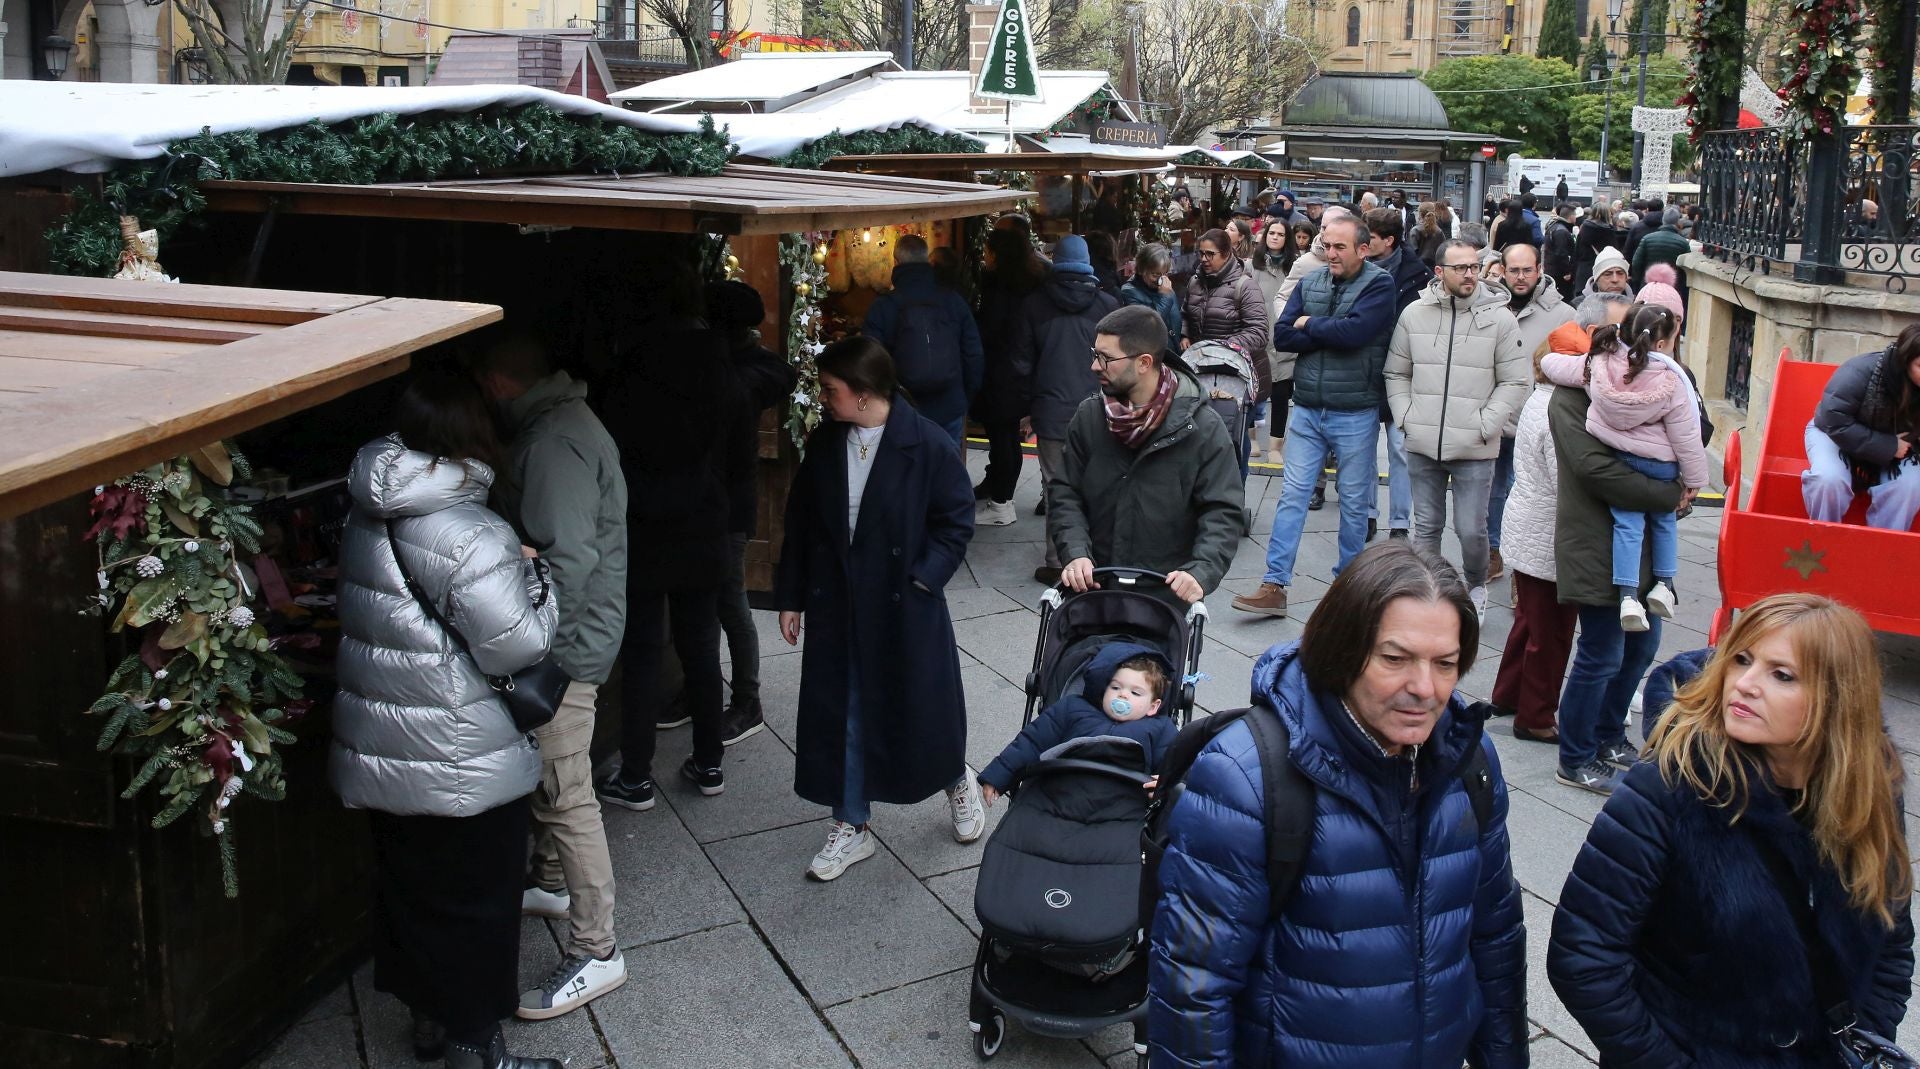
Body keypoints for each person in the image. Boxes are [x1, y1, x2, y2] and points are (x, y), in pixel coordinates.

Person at [1149, 541, 1526, 1068]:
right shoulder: (1247, 777)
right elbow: (1192, 988)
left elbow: (1495, 940)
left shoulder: (1471, 757)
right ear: (1343, 650)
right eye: (1395, 659)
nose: (1425, 688)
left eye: (1446, 663)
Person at [1548, 594, 1916, 1068]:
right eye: (1741, 659)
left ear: (1837, 698)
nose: (1744, 683)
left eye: (1781, 675)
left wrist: (1861, 1041)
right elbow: (1584, 956)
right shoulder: (1670, 785)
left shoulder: (1872, 787)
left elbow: (1891, 939)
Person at [333, 369, 563, 1069]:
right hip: (460, 752)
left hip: (384, 746)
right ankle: (475, 1046)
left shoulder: (368, 510)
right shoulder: (468, 528)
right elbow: (518, 641)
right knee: (476, 900)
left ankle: (430, 1019)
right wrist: (540, 581)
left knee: (411, 891)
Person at [774, 337, 981, 881]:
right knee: (844, 711)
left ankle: (957, 780)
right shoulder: (824, 443)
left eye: (830, 389)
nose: (823, 398)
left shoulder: (929, 445)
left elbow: (956, 521)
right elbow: (801, 525)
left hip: (904, 603)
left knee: (923, 709)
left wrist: (923, 578)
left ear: (864, 394)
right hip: (838, 600)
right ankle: (850, 822)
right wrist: (791, 595)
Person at [474, 332, 630, 1023]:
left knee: (567, 792)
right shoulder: (562, 423)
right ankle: (549, 881)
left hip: (572, 644)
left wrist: (545, 658)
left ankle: (597, 948)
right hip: (584, 634)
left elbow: (566, 563)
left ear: (499, 385)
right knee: (555, 773)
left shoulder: (550, 442)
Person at [596, 273, 741, 812]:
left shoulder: (631, 366)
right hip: (702, 519)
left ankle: (635, 776)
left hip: (645, 523)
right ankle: (708, 763)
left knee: (640, 654)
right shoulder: (719, 364)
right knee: (701, 646)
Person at [1232, 214, 1399, 619]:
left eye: (1340, 246)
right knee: (1291, 497)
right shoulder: (1311, 281)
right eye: (1327, 244)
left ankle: (1348, 591)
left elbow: (1356, 334)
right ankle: (1275, 584)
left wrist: (1313, 324)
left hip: (1355, 409)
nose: (1330, 252)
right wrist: (1325, 328)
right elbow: (1284, 333)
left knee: (1356, 503)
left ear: (1363, 248)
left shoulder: (1379, 284)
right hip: (1307, 407)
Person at [1546, 323, 1686, 796]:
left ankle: (1608, 736)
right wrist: (1668, 492)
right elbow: (1595, 469)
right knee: (1601, 652)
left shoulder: (1641, 384)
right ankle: (1575, 755)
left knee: (1643, 646)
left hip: (1640, 546)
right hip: (1594, 544)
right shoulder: (1569, 398)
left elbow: (1687, 428)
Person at [1491, 294, 1632, 745]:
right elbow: (1569, 477)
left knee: (1530, 622)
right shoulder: (1565, 404)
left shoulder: (1550, 394)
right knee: (1549, 633)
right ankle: (1534, 715)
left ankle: (1510, 694)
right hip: (1549, 532)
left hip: (1533, 526)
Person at [1050, 305, 1244, 602]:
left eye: (1106, 358)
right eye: (1095, 353)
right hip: (1093, 592)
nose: (1095, 366)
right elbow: (1065, 492)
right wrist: (1075, 553)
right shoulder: (1089, 417)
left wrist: (1200, 572)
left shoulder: (1204, 428)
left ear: (1143, 362)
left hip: (1165, 598)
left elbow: (1223, 511)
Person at [1385, 237, 1528, 618]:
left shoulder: (1500, 318)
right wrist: (1406, 416)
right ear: (1439, 272)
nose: (1470, 274)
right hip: (1423, 440)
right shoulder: (1415, 314)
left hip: (1475, 445)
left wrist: (1487, 422)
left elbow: (1516, 381)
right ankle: (1425, 594)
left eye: (1474, 267)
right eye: (1461, 267)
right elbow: (1396, 371)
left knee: (1471, 530)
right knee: (1426, 528)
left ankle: (1476, 587)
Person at [1540, 303, 1705, 631]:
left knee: (1627, 526)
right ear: (1662, 343)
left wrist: (1563, 357)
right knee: (1664, 526)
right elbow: (1687, 435)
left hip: (1627, 458)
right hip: (1661, 466)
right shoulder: (1669, 379)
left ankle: (1628, 595)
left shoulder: (1600, 367)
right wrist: (1694, 480)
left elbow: (1553, 364)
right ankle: (1665, 584)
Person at [704, 281, 798, 744]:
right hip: (719, 498)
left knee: (729, 599)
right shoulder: (745, 365)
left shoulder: (741, 371)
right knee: (715, 599)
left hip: (726, 502)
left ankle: (747, 699)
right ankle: (700, 687)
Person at [1011, 234, 1122, 584]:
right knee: (1099, 483)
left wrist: (1027, 409)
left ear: (1054, 261)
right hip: (1100, 411)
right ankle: (1096, 557)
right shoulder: (1108, 305)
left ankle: (1059, 561)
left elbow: (1021, 364)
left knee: (1057, 485)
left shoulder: (1033, 305)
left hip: (1052, 411)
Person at [976, 644, 1177, 804]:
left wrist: (1167, 785)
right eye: (1115, 687)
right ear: (1103, 690)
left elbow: (1177, 764)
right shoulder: (1073, 708)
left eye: (1135, 692)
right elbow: (1032, 741)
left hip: (1122, 802)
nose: (1123, 694)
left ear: (1153, 706)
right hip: (1059, 792)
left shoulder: (1159, 728)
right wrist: (999, 775)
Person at [1485, 243, 1576, 582]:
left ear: (1539, 269)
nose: (1520, 277)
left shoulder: (1563, 314)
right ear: (1503, 271)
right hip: (1496, 417)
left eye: (1527, 270)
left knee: (1534, 496)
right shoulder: (1488, 308)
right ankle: (1494, 552)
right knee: (1494, 492)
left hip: (1540, 421)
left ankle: (1524, 571)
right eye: (1514, 270)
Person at [862, 234, 984, 450]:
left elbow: (871, 361)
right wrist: (964, 398)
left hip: (902, 409)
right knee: (947, 474)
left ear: (896, 262)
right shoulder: (953, 301)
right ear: (928, 261)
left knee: (906, 472)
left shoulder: (884, 306)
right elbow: (973, 354)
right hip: (949, 404)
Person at [1803, 324, 1920, 530]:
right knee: (1828, 480)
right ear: (1905, 360)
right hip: (1832, 434)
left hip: (1901, 446)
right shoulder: (1860, 371)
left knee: (1910, 486)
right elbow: (1834, 419)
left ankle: (1882, 547)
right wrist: (1889, 446)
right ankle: (1823, 539)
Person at [974, 227, 1052, 527]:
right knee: (1006, 437)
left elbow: (992, 330)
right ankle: (995, 487)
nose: (984, 255)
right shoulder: (1033, 282)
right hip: (1020, 370)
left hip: (1003, 371)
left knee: (1003, 436)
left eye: (988, 249)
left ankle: (1001, 503)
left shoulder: (1000, 286)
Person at [1182, 227, 1271, 480]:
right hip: (1202, 373)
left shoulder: (1245, 285)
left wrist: (1223, 348)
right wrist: (1185, 335)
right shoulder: (1195, 282)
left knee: (1233, 439)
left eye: (1210, 254)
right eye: (1201, 254)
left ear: (1227, 253)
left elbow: (1259, 331)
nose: (1204, 259)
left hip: (1238, 378)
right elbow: (1186, 314)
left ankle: (1234, 497)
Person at [1364, 206, 1431, 540]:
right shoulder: (1356, 270)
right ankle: (1367, 514)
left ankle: (1400, 523)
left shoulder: (1419, 275)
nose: (1364, 242)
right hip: (1363, 369)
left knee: (1400, 451)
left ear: (1389, 241)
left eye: (1371, 237)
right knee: (1362, 450)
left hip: (1405, 374)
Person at [1252, 222, 1301, 465]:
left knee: (1281, 396)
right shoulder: (1252, 265)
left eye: (1281, 234)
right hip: (1257, 340)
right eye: (1272, 233)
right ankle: (1251, 440)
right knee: (1252, 394)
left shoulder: (1295, 267)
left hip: (1284, 341)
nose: (1275, 237)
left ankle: (1275, 445)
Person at [1120, 241, 1183, 353]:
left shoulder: (1165, 287)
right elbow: (1149, 324)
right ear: (1141, 270)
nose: (1161, 280)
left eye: (1165, 274)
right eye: (1155, 274)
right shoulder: (1129, 291)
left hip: (1175, 354)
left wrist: (1183, 336)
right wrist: (1164, 297)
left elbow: (1176, 318)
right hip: (1154, 356)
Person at [1630, 206, 1692, 292]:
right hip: (1672, 286)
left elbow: (1636, 262)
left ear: (1663, 220)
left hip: (1648, 284)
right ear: (1677, 222)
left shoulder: (1647, 239)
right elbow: (1686, 268)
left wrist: (1638, 280)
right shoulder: (1683, 243)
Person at [1572, 204, 1619, 295]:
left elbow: (1577, 251)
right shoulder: (1609, 231)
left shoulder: (1585, 227)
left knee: (1583, 296)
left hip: (1585, 267)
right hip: (1603, 267)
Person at [1544, 203, 1578, 301]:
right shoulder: (1562, 231)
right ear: (1571, 216)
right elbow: (1561, 253)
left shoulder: (1554, 227)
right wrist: (1566, 271)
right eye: (1575, 215)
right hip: (1559, 274)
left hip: (1552, 269)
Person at [1622, 196, 1664, 261]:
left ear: (1648, 209)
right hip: (1663, 267)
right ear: (1662, 209)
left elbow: (1628, 251)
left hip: (1639, 265)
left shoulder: (1636, 227)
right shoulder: (1668, 227)